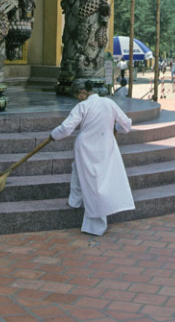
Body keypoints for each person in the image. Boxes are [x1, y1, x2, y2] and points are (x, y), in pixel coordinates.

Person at [50, 79, 135, 236]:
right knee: (84, 172)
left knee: (93, 181)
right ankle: (74, 200)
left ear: (83, 92)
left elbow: (66, 128)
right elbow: (127, 125)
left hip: (86, 147)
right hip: (105, 145)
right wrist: (115, 128)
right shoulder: (109, 103)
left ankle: (95, 224)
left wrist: (53, 135)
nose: (78, 99)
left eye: (78, 96)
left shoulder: (82, 106)